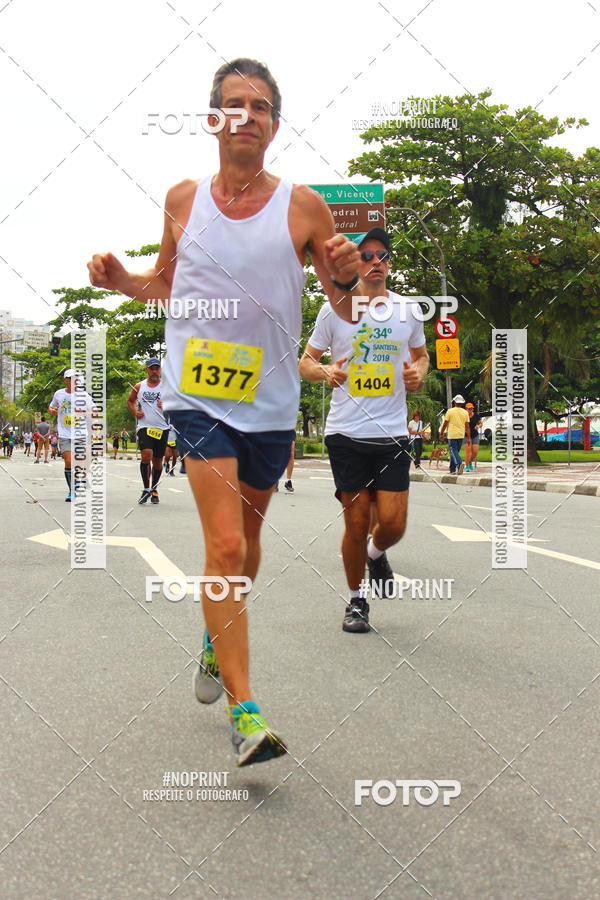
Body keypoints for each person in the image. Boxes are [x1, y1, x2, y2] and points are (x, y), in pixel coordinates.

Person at [87, 57, 362, 766]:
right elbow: (166, 284)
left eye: (261, 106)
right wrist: (125, 282)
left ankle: (213, 641)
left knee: (247, 541)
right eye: (233, 104)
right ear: (213, 119)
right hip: (198, 394)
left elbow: (345, 307)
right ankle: (246, 713)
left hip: (269, 401)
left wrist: (348, 277)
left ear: (274, 124)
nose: (247, 115)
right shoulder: (183, 198)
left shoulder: (304, 207)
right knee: (227, 549)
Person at [299, 226, 429, 633]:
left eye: (382, 255)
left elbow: (422, 357)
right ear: (355, 264)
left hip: (391, 433)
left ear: (389, 263)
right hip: (346, 433)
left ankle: (376, 552)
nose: (375, 262)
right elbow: (305, 362)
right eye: (367, 256)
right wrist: (326, 371)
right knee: (355, 522)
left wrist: (418, 374)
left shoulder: (408, 311)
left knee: (393, 524)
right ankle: (357, 601)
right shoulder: (332, 310)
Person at [127, 358, 169, 504]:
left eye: (157, 368)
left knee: (158, 461)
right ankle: (146, 489)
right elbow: (129, 401)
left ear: (160, 370)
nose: (154, 371)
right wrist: (135, 412)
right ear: (147, 370)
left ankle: (154, 489)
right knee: (147, 455)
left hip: (162, 428)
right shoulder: (139, 386)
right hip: (145, 426)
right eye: (152, 368)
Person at [48, 369, 94, 501]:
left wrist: (84, 413)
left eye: (76, 378)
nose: (73, 380)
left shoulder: (84, 396)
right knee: (68, 462)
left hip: (80, 433)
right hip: (64, 433)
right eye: (70, 378)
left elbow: (94, 413)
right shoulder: (59, 394)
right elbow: (51, 407)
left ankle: (81, 480)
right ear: (65, 380)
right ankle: (72, 491)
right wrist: (52, 411)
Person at [439, 394, 471, 475]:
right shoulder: (465, 413)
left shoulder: (450, 411)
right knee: (454, 452)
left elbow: (445, 423)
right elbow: (467, 426)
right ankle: (452, 469)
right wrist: (469, 438)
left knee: (453, 452)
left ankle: (459, 463)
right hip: (461, 435)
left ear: (454, 402)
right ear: (462, 403)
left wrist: (442, 433)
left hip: (452, 435)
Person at [464, 403, 482, 472]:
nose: (470, 410)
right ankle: (467, 465)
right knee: (468, 452)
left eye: (471, 408)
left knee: (475, 451)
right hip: (466, 435)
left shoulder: (476, 416)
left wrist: (478, 426)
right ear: (466, 409)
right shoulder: (464, 416)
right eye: (468, 408)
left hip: (475, 435)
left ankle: (470, 462)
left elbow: (480, 423)